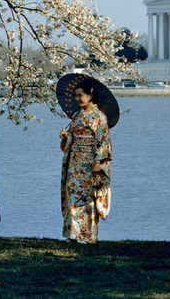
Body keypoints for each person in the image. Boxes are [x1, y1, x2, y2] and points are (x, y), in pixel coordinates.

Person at [59, 79, 112, 244]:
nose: (77, 99)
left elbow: (104, 141)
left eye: (80, 95)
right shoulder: (77, 115)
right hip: (74, 161)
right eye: (75, 95)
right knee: (72, 195)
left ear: (90, 96)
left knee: (87, 198)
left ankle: (86, 234)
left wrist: (98, 162)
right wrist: (66, 138)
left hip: (89, 161)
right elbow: (72, 138)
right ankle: (72, 233)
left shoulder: (99, 117)